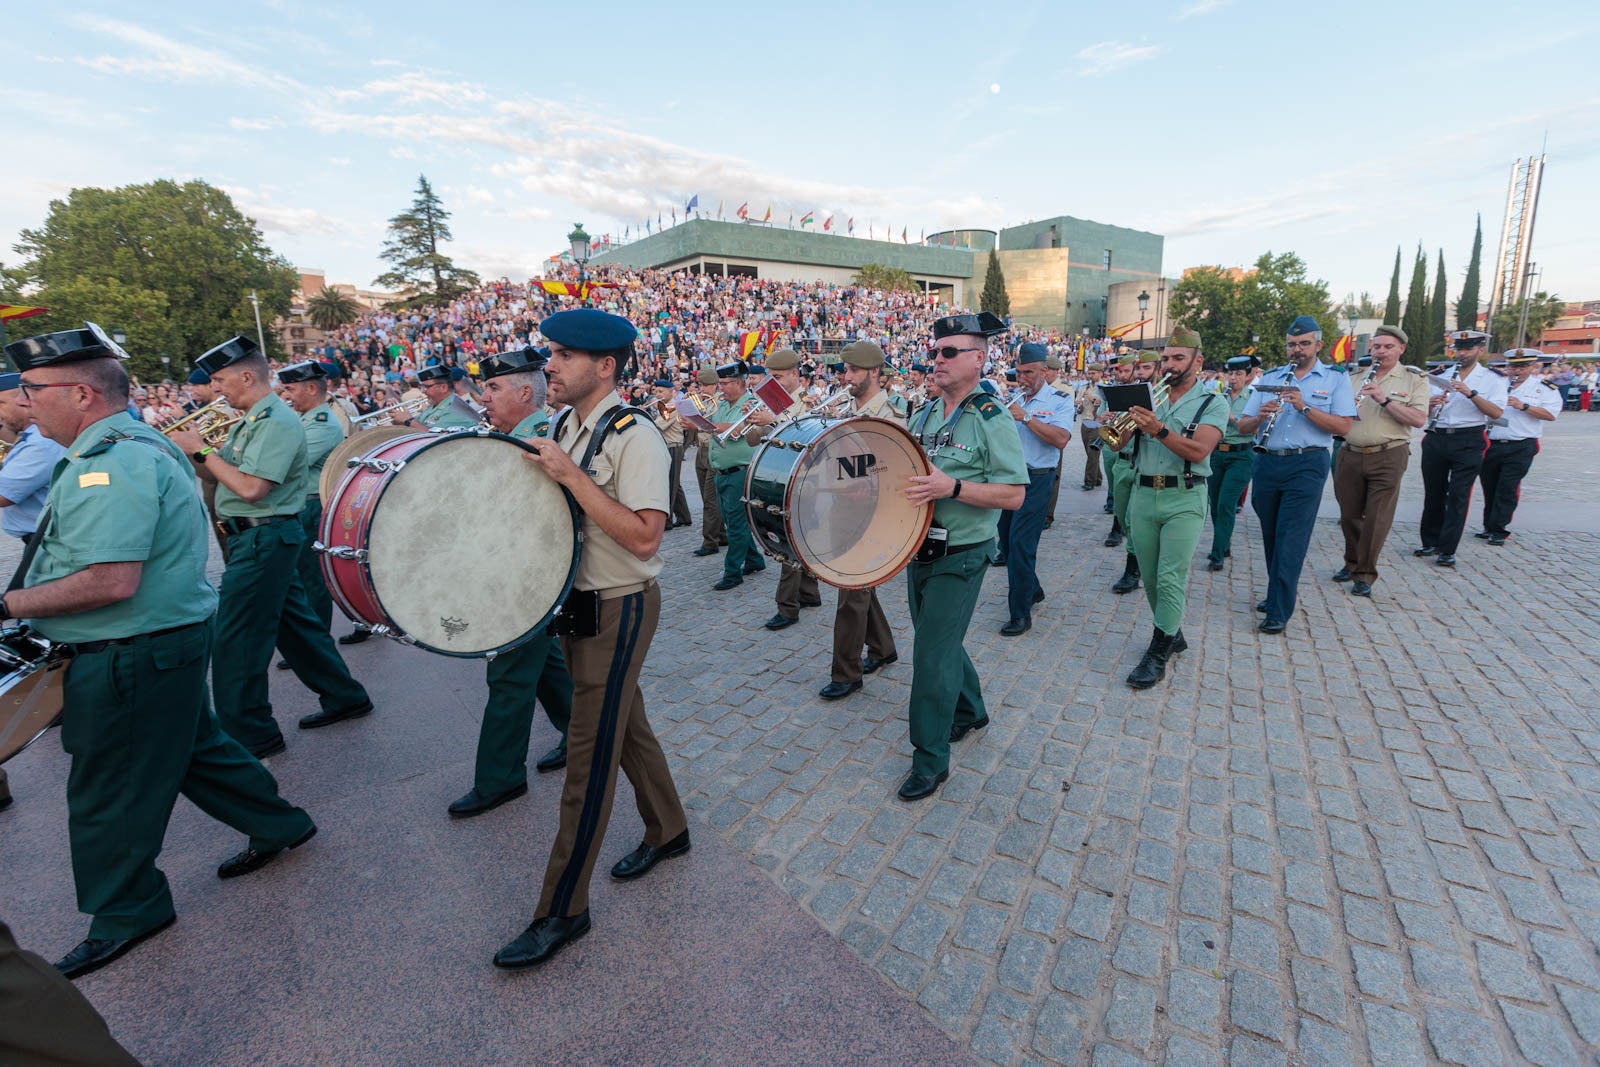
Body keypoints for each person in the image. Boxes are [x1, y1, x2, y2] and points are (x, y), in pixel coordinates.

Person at [2, 325, 316, 981]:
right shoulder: (124, 444)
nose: (24, 403)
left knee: (106, 789)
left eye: (33, 389)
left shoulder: (110, 460)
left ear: (81, 393)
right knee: (197, 750)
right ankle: (280, 822)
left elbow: (112, 579)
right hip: (154, 641)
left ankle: (127, 908)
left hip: (133, 646)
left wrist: (9, 607)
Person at [493, 308, 688, 970]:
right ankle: (670, 828)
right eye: (551, 353)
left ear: (605, 365)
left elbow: (643, 536)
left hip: (621, 605)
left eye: (564, 355)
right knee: (624, 724)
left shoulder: (636, 438)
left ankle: (562, 909)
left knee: (588, 756)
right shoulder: (562, 425)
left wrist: (571, 477)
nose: (550, 363)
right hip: (578, 601)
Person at [169, 336, 373, 759]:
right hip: (260, 536)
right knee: (297, 631)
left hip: (263, 535)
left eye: (221, 379)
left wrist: (202, 449)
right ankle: (345, 696)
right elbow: (214, 475)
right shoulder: (251, 419)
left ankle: (251, 734)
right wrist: (192, 450)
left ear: (247, 376)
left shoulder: (276, 421)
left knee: (236, 642)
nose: (217, 388)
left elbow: (252, 488)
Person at [898, 312, 1026, 802]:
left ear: (979, 358)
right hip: (918, 547)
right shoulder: (924, 415)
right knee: (940, 641)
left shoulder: (991, 417)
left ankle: (929, 760)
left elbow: (1014, 494)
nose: (938, 360)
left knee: (931, 654)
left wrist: (952, 485)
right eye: (935, 352)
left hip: (964, 552)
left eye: (949, 352)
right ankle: (971, 710)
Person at [450, 346, 574, 816]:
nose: (484, 397)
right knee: (544, 666)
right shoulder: (513, 436)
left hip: (530, 580)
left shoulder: (537, 439)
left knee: (508, 676)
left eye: (494, 387)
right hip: (527, 575)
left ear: (526, 391)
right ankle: (582, 733)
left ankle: (500, 778)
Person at [1236, 316, 1356, 634]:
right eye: (1292, 344)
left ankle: (1278, 609)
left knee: (1292, 537)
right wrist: (1259, 416)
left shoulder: (1335, 379)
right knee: (1272, 533)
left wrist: (1303, 406)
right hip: (1267, 461)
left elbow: (1344, 426)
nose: (1297, 349)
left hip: (1307, 463)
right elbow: (1242, 425)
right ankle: (1277, 591)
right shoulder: (1270, 378)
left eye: (1304, 344)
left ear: (1318, 345)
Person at [1122, 326, 1225, 687]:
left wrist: (1157, 429)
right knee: (1149, 577)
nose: (1169, 364)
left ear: (1198, 361)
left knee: (1169, 577)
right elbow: (1124, 449)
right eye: (1165, 358)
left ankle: (1159, 648)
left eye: (1178, 358)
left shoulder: (1213, 402)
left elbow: (1199, 452)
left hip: (1185, 496)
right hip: (1143, 493)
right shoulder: (1151, 397)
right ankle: (1173, 631)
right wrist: (1120, 431)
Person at [819, 340, 903, 701]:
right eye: (844, 370)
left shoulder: (892, 417)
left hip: (870, 510)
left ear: (873, 373)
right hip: (841, 505)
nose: (846, 377)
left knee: (851, 589)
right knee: (860, 585)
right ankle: (883, 647)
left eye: (853, 371)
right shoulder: (842, 408)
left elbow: (891, 470)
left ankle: (846, 671)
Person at [1331, 325, 1428, 596]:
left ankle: (1365, 573)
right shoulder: (1353, 377)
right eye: (1377, 347)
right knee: (1349, 514)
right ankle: (1351, 562)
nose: (1381, 352)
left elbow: (1419, 419)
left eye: (1387, 347)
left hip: (1389, 454)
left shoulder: (1414, 379)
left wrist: (1384, 400)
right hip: (1350, 452)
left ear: (1401, 349)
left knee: (1376, 517)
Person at [996, 343, 1073, 636]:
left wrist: (1026, 418)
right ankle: (1034, 589)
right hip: (1008, 478)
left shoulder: (1059, 400)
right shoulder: (1013, 398)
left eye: (1028, 372)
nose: (1023, 378)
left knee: (1020, 546)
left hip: (1037, 478)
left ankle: (1020, 614)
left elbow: (1061, 439)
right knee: (1005, 542)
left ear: (1044, 371)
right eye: (1019, 372)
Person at [1416, 330, 1507, 566]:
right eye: (1459, 349)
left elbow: (1496, 413)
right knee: (1433, 492)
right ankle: (1430, 541)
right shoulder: (1440, 376)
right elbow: (1420, 413)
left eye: (1468, 349)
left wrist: (1471, 393)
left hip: (1469, 438)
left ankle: (1448, 548)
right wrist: (1430, 404)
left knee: (1458, 495)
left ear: (1480, 350)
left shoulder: (1493, 379)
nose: (1462, 353)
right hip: (1437, 436)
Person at [747, 348, 820, 629]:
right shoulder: (772, 401)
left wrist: (773, 421)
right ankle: (809, 593)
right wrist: (754, 420)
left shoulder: (809, 402)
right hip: (780, 475)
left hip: (804, 480)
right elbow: (754, 441)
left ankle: (787, 607)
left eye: (778, 376)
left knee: (787, 541)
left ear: (794, 374)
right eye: (770, 377)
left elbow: (803, 437)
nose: (773, 382)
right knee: (802, 538)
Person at [274, 360, 345, 635]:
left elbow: (287, 465)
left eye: (290, 389)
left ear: (312, 388)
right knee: (300, 578)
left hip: (311, 506)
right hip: (299, 505)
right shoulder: (302, 420)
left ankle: (317, 641)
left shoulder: (323, 424)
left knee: (311, 580)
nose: (285, 396)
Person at [1478, 347, 1560, 545]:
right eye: (1513, 366)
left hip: (1521, 445)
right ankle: (1489, 525)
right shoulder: (1496, 384)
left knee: (1507, 487)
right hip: (1492, 442)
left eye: (1523, 366)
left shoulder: (1543, 387)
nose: (1517, 371)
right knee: (1489, 486)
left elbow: (1550, 414)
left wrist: (1524, 406)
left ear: (1533, 366)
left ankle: (1499, 529)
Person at [705, 360, 766, 590]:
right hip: (721, 471)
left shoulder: (750, 404)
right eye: (720, 383)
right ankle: (754, 559)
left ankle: (732, 572)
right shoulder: (720, 403)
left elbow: (741, 430)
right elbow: (712, 423)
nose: (721, 387)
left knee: (737, 523)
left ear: (739, 383)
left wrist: (711, 427)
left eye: (725, 383)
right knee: (732, 520)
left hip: (740, 472)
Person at [1107, 352, 1158, 595]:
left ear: (1157, 369)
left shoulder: (1161, 398)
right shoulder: (1128, 394)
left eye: (1146, 368)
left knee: (1133, 521)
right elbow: (1114, 438)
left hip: (1141, 465)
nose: (1140, 373)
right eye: (1138, 369)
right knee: (1122, 517)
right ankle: (1142, 556)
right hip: (1122, 462)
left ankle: (1132, 570)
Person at [1204, 355, 1259, 572]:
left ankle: (1217, 553)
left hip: (1241, 455)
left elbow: (1253, 427)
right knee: (1215, 504)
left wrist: (1232, 418)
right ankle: (1224, 544)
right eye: (1230, 373)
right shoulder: (1219, 396)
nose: (1233, 378)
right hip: (1218, 453)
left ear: (1247, 376)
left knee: (1227, 503)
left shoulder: (1254, 397)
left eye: (1238, 374)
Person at [690, 366, 728, 558]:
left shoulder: (720, 402)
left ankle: (710, 541)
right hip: (701, 449)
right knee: (707, 497)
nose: (701, 389)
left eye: (705, 386)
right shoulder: (701, 400)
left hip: (714, 450)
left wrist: (695, 420)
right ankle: (721, 534)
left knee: (710, 500)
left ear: (715, 385)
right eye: (700, 385)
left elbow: (712, 426)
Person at [651, 377, 694, 530]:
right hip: (669, 446)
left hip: (672, 446)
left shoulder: (673, 406)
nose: (658, 394)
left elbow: (658, 426)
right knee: (675, 483)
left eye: (661, 391)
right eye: (656, 391)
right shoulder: (664, 405)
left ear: (671, 391)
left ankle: (666, 521)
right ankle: (684, 517)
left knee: (668, 484)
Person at [394, 364, 477, 430]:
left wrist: (409, 421)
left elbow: (436, 438)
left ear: (443, 388)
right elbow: (417, 422)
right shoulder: (433, 406)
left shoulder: (456, 408)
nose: (423, 391)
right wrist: (397, 416)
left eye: (426, 387)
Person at [1076, 363, 1105, 491]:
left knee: (1093, 452)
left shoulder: (1104, 388)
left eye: (1094, 373)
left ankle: (1089, 481)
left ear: (1100, 374)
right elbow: (1079, 408)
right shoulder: (1084, 388)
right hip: (1085, 421)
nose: (1091, 376)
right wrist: (1078, 404)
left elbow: (1103, 405)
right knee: (1090, 453)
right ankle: (1097, 478)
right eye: (1090, 373)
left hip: (1097, 423)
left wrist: (1092, 398)